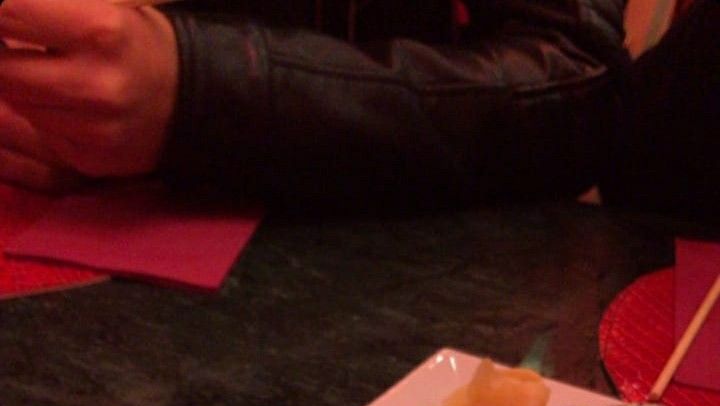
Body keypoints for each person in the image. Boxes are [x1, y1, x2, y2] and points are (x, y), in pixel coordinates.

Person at [0, 0, 715, 220]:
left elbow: (574, 92)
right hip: (118, 259)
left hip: (411, 328)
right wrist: (69, 100)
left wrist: (200, 93)